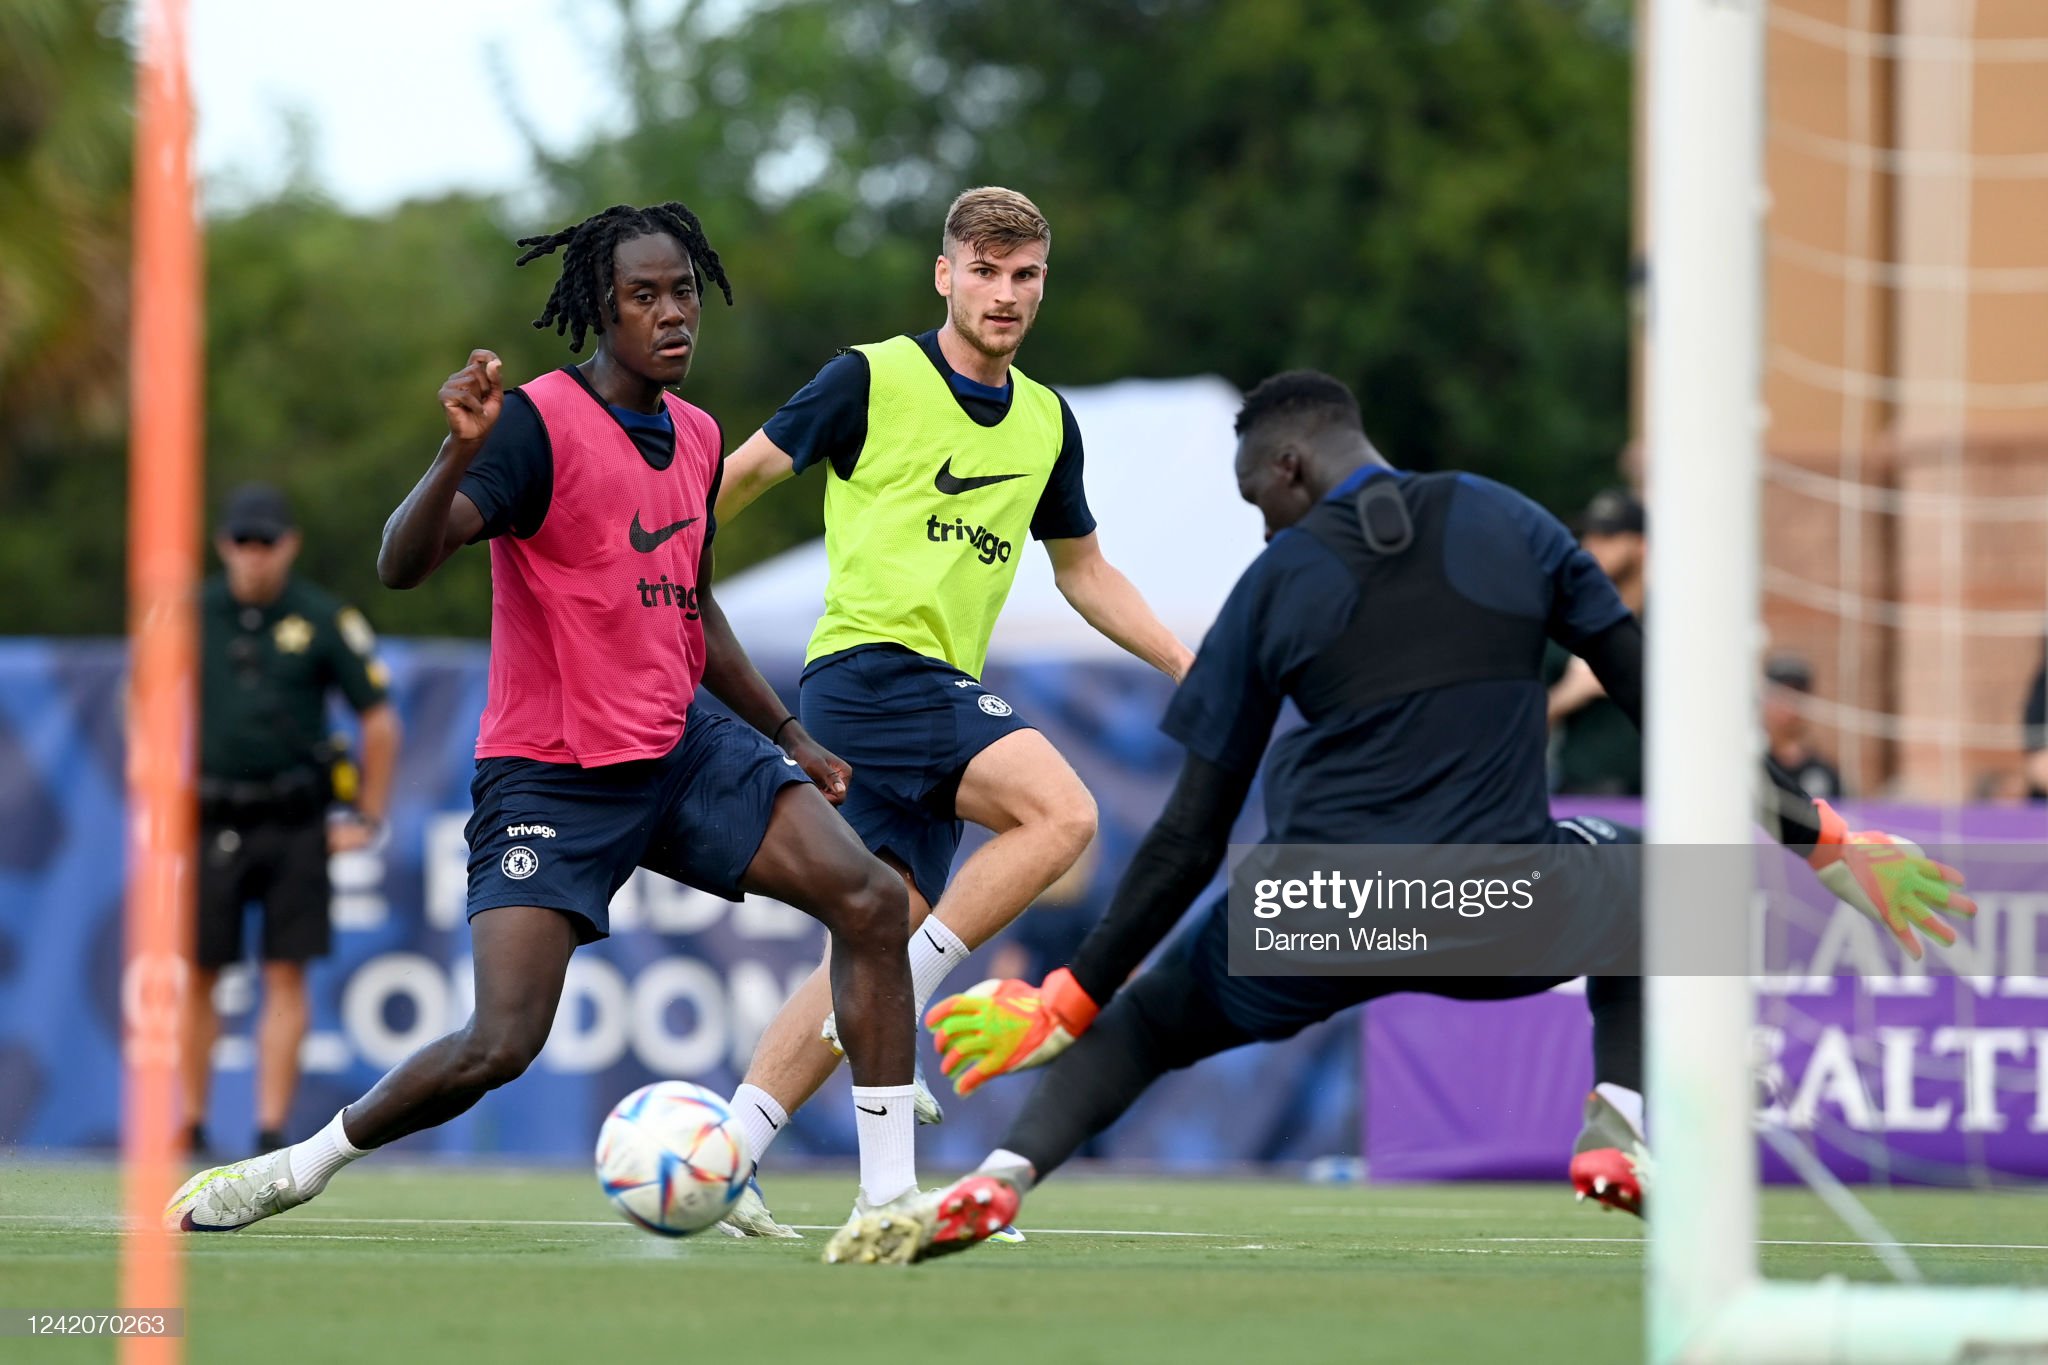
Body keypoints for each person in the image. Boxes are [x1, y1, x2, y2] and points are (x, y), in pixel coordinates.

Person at [908, 372, 1975, 1261]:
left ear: (1287, 469)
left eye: (1256, 501)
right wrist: (1820, 840)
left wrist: (1071, 996)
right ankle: (1619, 1125)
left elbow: (1191, 833)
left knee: (1143, 1028)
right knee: (1663, 888)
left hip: (1314, 917)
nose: (1263, 522)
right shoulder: (1513, 523)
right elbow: (1671, 708)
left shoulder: (1274, 585)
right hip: (1504, 908)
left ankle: (1003, 1176)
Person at [166, 202, 1015, 1267]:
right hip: (552, 778)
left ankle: (886, 1200)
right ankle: (297, 1167)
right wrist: (452, 455)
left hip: (684, 751)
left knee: (869, 899)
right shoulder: (533, 423)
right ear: (596, 311)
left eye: (682, 294)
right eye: (642, 296)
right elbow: (401, 563)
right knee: (498, 1044)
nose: (670, 315)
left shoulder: (700, 435)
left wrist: (787, 731)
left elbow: (690, 608)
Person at [709, 186, 1192, 1236]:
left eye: (1023, 276)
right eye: (983, 270)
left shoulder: (1044, 422)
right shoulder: (870, 375)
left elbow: (1084, 571)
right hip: (870, 674)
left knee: (874, 934)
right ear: (944, 275)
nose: (1003, 293)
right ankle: (913, 997)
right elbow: (742, 473)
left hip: (920, 693)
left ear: (1041, 285)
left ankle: (727, 1154)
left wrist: (1181, 660)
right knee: (1063, 815)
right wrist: (656, 571)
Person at [188, 483, 401, 1157]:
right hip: (210, 812)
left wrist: (367, 813)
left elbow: (379, 717)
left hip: (294, 819)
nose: (253, 556)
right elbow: (144, 696)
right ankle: (190, 1124)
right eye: (242, 542)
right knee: (199, 969)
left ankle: (269, 1127)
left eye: (266, 542)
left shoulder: (320, 617)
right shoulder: (191, 613)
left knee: (285, 972)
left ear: (290, 545)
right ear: (224, 544)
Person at [1544, 488, 1646, 795]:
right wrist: (1571, 693)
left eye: (1609, 536)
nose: (1592, 546)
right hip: (1580, 793)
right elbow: (1522, 719)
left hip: (1663, 798)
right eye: (1590, 535)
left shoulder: (1679, 623)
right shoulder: (1567, 620)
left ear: (1642, 545)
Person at [1763, 653, 1844, 799]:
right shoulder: (1753, 768)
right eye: (1780, 694)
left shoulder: (1825, 774)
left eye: (1796, 696)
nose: (1787, 705)